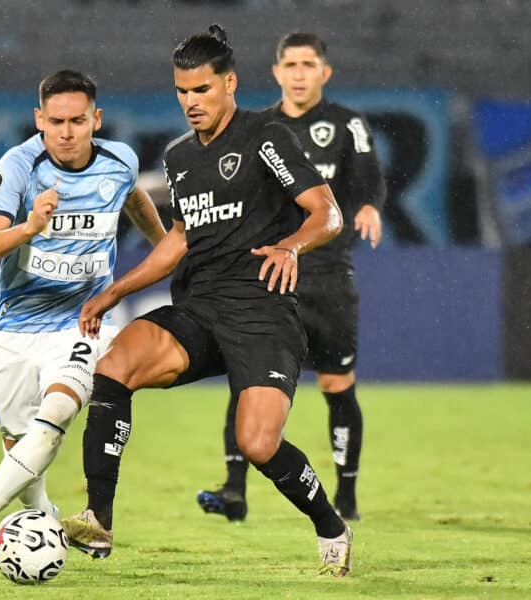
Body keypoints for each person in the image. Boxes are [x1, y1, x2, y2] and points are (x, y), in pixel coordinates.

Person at [61, 25, 355, 577]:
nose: (190, 102)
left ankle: (330, 525)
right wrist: (116, 291)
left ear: (229, 84)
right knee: (116, 364)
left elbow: (328, 213)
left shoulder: (266, 136)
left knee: (258, 443)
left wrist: (291, 246)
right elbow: (179, 239)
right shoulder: (178, 158)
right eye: (181, 91)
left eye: (201, 90)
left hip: (263, 313)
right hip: (199, 309)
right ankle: (98, 520)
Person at [0, 70, 165, 560]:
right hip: (15, 328)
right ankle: (48, 527)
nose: (66, 132)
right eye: (55, 121)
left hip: (82, 320)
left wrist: (166, 247)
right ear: (39, 119)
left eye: (77, 121)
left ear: (95, 119)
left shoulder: (119, 160)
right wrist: (31, 227)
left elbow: (134, 199)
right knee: (24, 451)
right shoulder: (19, 166)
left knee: (57, 412)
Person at [197, 32, 386, 523]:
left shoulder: (347, 124)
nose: (299, 73)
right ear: (277, 73)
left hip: (328, 277)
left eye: (309, 64)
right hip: (274, 275)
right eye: (291, 65)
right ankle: (235, 491)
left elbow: (367, 176)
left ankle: (346, 495)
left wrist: (367, 204)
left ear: (325, 72)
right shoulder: (260, 127)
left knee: (337, 384)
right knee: (247, 382)